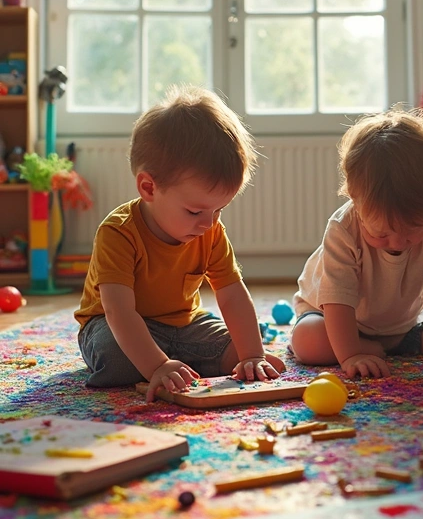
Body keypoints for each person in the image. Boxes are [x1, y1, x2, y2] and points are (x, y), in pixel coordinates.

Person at [76, 87, 284, 402]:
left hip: (185, 325)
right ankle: (168, 362)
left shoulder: (209, 231)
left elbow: (231, 295)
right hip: (115, 323)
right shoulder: (118, 233)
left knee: (237, 350)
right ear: (149, 187)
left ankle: (177, 362)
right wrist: (157, 364)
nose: (209, 223)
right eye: (195, 211)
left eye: (219, 210)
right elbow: (118, 310)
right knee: (117, 360)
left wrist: (252, 353)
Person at [291, 108, 423, 379]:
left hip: (397, 328)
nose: (398, 242)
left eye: (413, 230)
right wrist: (352, 355)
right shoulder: (343, 228)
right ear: (355, 199)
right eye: (382, 233)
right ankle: (385, 345)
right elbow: (337, 302)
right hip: (330, 318)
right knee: (308, 343)